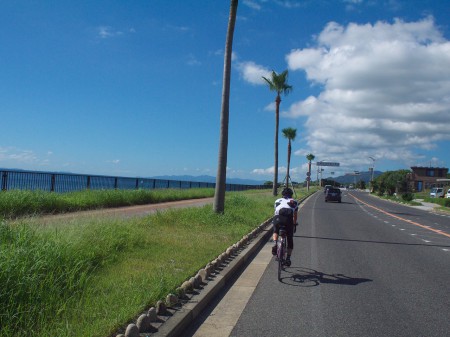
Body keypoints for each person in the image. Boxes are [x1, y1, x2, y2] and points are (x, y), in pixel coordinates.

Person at [271, 187, 298, 267]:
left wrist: (275, 221)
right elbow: (295, 216)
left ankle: (275, 243)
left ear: (282, 195)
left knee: (275, 231)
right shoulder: (294, 202)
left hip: (278, 218)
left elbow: (276, 212)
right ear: (291, 195)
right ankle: (288, 258)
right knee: (290, 238)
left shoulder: (277, 201)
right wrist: (294, 224)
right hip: (288, 221)